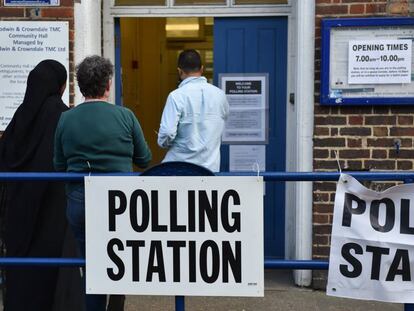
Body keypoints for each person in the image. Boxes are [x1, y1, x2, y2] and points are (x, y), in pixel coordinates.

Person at [53, 55, 151, 311]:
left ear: (80, 86)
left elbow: (59, 165)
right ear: (108, 85)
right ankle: (116, 304)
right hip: (120, 201)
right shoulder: (126, 116)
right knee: (120, 257)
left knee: (91, 266)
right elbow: (145, 159)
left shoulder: (66, 119)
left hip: (80, 200)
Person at [0, 60, 77, 311]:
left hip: (17, 210)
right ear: (61, 85)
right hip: (52, 209)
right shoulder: (65, 116)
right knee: (50, 270)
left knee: (21, 271)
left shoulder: (20, 117)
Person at [157, 49, 229, 172]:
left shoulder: (176, 96)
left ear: (179, 71)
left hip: (178, 169)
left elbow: (168, 133)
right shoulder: (220, 95)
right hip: (209, 170)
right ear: (201, 69)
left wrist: (164, 143)